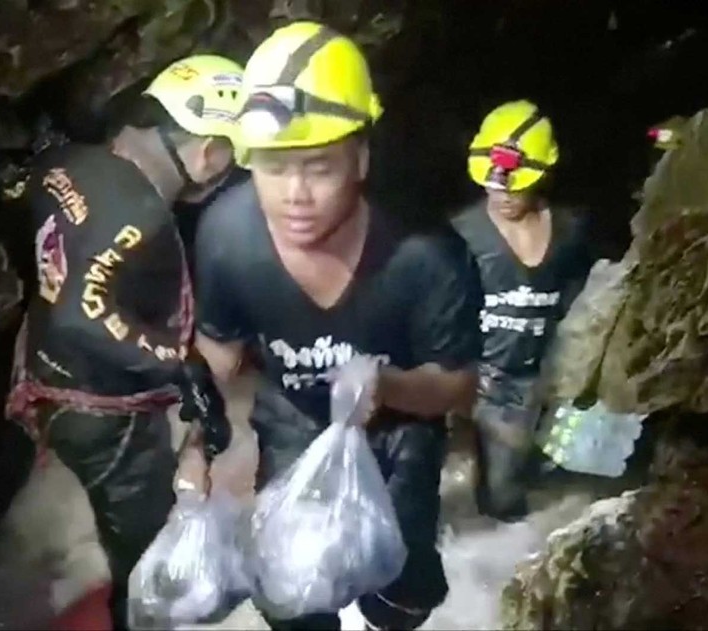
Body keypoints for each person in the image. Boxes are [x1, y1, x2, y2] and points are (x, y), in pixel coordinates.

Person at [0, 54, 246, 629]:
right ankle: (136, 618)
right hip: (100, 408)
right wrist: (178, 364)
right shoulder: (142, 217)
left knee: (10, 448)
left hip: (33, 361)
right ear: (209, 155)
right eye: (228, 164)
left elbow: (25, 222)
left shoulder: (66, 162)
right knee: (145, 544)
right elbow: (84, 313)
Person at [178, 21, 482, 631]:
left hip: (399, 436)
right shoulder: (227, 237)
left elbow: (458, 385)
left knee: (398, 589)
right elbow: (221, 351)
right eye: (272, 167)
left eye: (319, 168)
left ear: (361, 157)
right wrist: (197, 446)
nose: (294, 194)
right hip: (292, 423)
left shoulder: (426, 255)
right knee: (293, 598)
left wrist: (389, 387)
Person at [450, 100, 595, 522]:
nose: (503, 193)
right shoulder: (460, 234)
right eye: (493, 184)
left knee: (537, 489)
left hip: (543, 377)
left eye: (515, 185)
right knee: (491, 495)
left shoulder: (570, 231)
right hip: (482, 381)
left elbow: (584, 302)